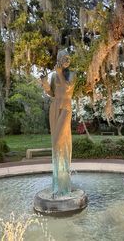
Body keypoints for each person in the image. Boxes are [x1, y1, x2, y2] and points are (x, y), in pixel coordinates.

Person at [41, 49, 75, 197]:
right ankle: (58, 183)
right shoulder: (54, 75)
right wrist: (44, 83)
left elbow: (67, 89)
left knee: (58, 141)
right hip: (54, 107)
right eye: (64, 58)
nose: (67, 60)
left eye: (68, 58)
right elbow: (51, 93)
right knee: (55, 144)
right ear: (59, 59)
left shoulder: (72, 74)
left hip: (65, 107)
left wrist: (60, 73)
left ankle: (64, 182)